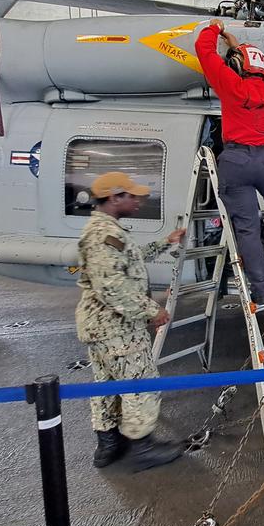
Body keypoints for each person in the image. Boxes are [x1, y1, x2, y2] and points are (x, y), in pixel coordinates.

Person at [75, 172, 186, 473]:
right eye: (131, 196)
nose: (138, 201)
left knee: (108, 384)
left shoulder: (108, 230)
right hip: (116, 327)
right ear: (113, 198)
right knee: (141, 383)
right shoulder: (102, 234)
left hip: (102, 326)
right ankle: (142, 448)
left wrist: (166, 241)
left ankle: (109, 445)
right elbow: (110, 285)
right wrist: (152, 310)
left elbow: (131, 256)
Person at [195, 19, 264, 305]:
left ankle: (261, 291)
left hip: (236, 161)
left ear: (236, 67)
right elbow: (263, 78)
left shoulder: (231, 85)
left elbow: (203, 50)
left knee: (247, 230)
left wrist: (215, 28)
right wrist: (241, 49)